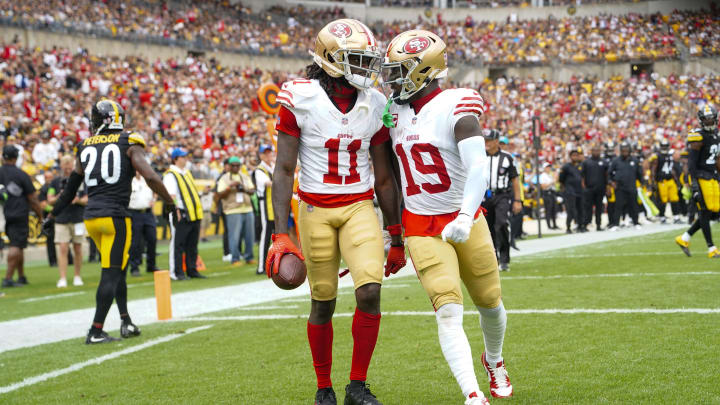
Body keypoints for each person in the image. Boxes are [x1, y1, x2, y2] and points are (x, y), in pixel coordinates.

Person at [268, 19, 405, 405]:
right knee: (323, 300)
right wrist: (281, 232)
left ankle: (357, 386)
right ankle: (323, 387)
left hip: (359, 206)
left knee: (370, 292)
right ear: (330, 61)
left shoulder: (376, 103)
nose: (366, 69)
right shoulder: (300, 97)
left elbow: (384, 177)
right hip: (314, 208)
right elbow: (283, 169)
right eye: (357, 61)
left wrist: (396, 235)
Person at [383, 29, 511, 405]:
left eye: (400, 70)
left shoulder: (458, 104)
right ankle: (472, 394)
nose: (392, 78)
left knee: (490, 303)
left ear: (424, 70)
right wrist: (392, 232)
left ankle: (495, 360)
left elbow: (477, 169)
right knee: (448, 310)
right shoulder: (393, 113)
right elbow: (391, 173)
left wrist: (466, 214)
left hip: (465, 217)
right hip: (422, 224)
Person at [46, 99, 176, 344]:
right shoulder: (129, 141)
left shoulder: (84, 146)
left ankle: (126, 320)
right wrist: (169, 201)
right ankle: (96, 330)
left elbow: (70, 189)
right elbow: (149, 175)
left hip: (92, 219)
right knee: (111, 273)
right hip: (115, 217)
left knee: (117, 270)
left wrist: (52, 216)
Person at [675, 104, 720, 258]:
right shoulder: (697, 136)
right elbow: (691, 163)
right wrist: (693, 184)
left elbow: (717, 160)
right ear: (701, 121)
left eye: (711, 120)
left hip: (712, 176)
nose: (709, 123)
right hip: (701, 177)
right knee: (704, 212)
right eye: (706, 121)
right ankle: (711, 248)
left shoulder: (716, 135)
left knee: (710, 212)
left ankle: (684, 238)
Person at [0, 145, 43, 288]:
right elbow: (33, 199)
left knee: (19, 244)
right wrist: (41, 216)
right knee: (16, 246)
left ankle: (21, 276)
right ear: (16, 158)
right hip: (19, 213)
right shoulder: (21, 175)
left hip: (4, 213)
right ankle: (8, 278)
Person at [163, 148, 207, 280]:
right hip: (181, 213)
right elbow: (171, 195)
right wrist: (176, 210)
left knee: (192, 245)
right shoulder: (170, 175)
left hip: (193, 213)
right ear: (175, 159)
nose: (186, 158)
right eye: (183, 157)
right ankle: (176, 272)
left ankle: (192, 270)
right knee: (178, 244)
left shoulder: (186, 173)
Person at [482, 129, 521, 271]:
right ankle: (494, 258)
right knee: (487, 229)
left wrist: (518, 200)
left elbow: (515, 179)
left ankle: (504, 259)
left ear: (497, 141)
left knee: (502, 224)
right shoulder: (478, 155)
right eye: (485, 140)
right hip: (483, 196)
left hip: (502, 195)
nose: (486, 143)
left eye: (489, 140)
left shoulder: (507, 157)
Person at [47, 155, 87, 287]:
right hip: (61, 218)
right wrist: (61, 197)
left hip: (77, 217)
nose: (68, 169)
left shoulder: (81, 180)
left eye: (70, 166)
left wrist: (78, 200)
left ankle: (77, 276)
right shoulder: (55, 182)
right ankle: (62, 277)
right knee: (63, 248)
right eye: (65, 166)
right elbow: (50, 199)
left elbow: (88, 197)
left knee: (78, 248)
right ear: (61, 167)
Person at [216, 156, 256, 266]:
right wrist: (230, 187)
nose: (235, 167)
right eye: (232, 165)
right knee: (234, 236)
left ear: (240, 166)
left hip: (247, 208)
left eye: (237, 165)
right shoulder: (224, 178)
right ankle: (235, 258)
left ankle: (249, 257)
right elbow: (220, 194)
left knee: (249, 236)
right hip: (232, 210)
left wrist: (244, 188)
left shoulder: (244, 177)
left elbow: (252, 191)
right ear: (228, 166)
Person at [608, 142, 643, 231]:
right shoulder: (616, 161)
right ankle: (616, 224)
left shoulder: (635, 160)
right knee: (618, 206)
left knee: (634, 205)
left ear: (629, 150)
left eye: (626, 150)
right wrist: (611, 182)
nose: (624, 152)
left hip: (631, 186)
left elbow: (639, 174)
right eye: (623, 150)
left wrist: (642, 184)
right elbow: (609, 173)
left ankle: (636, 222)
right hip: (620, 187)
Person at [128, 171, 158, 276]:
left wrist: (154, 199)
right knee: (135, 242)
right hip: (135, 213)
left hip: (148, 213)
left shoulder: (147, 180)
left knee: (152, 239)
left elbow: (156, 189)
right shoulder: (129, 181)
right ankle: (134, 267)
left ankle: (151, 265)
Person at [254, 144, 275, 275]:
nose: (268, 155)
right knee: (265, 236)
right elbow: (269, 183)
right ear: (261, 155)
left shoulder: (272, 167)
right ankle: (261, 266)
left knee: (277, 236)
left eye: (269, 153)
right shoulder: (259, 170)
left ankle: (275, 263)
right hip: (266, 206)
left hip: (275, 205)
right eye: (265, 153)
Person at [649, 139, 681, 224]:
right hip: (662, 181)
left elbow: (672, 169)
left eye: (665, 146)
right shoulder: (657, 156)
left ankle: (676, 217)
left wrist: (676, 180)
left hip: (670, 180)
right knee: (663, 200)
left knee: (675, 199)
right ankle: (662, 217)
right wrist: (653, 182)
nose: (664, 148)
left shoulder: (670, 155)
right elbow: (653, 170)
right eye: (663, 146)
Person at [581, 145, 607, 231]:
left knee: (599, 208)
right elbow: (582, 176)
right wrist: (584, 187)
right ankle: (586, 224)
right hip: (589, 189)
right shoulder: (586, 162)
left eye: (597, 151)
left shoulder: (603, 162)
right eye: (594, 151)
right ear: (591, 152)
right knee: (587, 208)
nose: (596, 152)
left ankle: (598, 225)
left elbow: (606, 175)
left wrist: (607, 187)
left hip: (600, 189)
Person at [559, 148, 585, 233]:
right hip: (570, 191)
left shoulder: (580, 166)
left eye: (577, 155)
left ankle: (580, 226)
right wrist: (565, 187)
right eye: (573, 155)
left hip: (579, 190)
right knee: (571, 210)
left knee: (580, 209)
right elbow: (561, 178)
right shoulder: (566, 166)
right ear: (570, 157)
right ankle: (568, 227)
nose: (575, 157)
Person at [38, 169, 58, 267]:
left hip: (59, 216)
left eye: (51, 177)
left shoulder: (55, 186)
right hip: (49, 218)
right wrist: (56, 210)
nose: (50, 179)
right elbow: (43, 205)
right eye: (48, 177)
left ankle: (69, 260)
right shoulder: (43, 189)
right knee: (50, 240)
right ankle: (52, 261)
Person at [538, 163, 558, 229]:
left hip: (552, 193)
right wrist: (552, 182)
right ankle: (549, 225)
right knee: (548, 210)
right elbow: (543, 186)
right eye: (547, 167)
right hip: (547, 193)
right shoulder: (542, 176)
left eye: (549, 167)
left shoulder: (550, 175)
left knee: (554, 210)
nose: (548, 168)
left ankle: (555, 224)